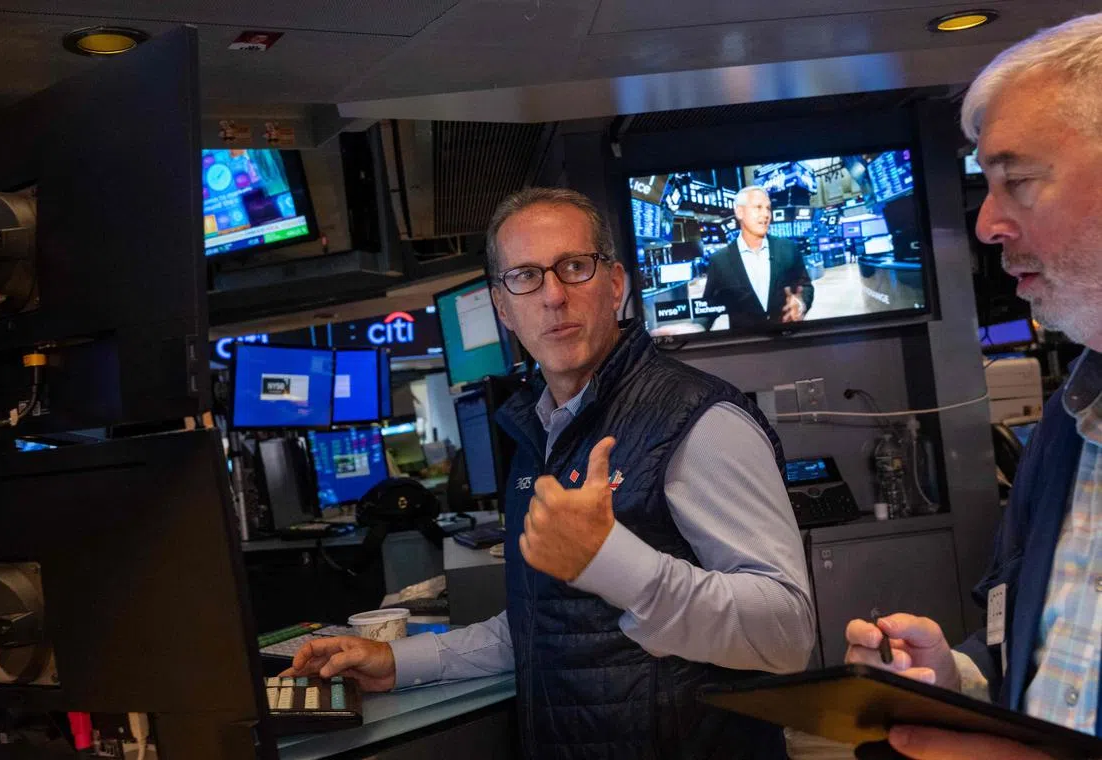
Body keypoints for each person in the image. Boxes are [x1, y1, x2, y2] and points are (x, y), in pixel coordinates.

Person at [285, 187, 815, 759]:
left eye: (574, 267)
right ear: (503, 308)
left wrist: (612, 560)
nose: (554, 296)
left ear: (615, 284)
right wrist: (396, 662)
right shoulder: (540, 433)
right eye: (526, 277)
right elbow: (546, 627)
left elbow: (786, 634)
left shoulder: (700, 419)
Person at [844, 13, 1102, 759]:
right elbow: (1047, 652)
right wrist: (955, 679)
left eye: (1017, 181)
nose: (986, 223)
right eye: (984, 186)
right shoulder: (1068, 424)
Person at [698, 186, 813, 330]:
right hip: (746, 346)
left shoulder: (788, 248)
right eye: (758, 207)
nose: (765, 214)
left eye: (768, 208)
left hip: (786, 340)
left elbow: (806, 286)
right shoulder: (720, 261)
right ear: (739, 212)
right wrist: (696, 328)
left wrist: (801, 303)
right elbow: (707, 308)